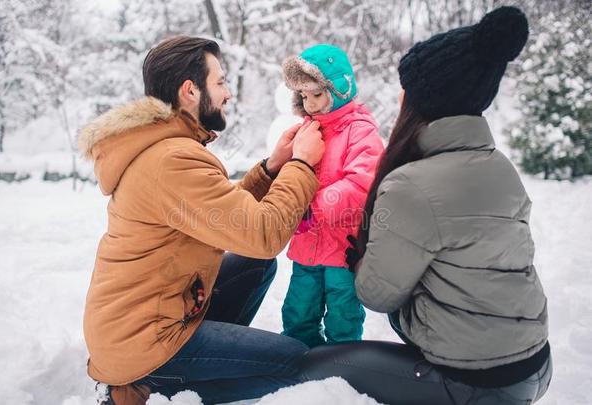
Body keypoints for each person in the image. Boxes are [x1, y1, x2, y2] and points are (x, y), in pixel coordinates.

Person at [299, 7, 552, 404]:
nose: (399, 96)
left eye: (406, 88)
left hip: (473, 380)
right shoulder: (501, 167)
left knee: (316, 369)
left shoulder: (410, 185)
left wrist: (361, 256)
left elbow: (376, 294)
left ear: (422, 100)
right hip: (535, 364)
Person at [78, 36, 326, 405]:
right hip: (146, 344)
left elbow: (221, 213)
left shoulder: (164, 149)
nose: (228, 93)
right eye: (221, 82)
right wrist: (302, 165)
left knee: (254, 265)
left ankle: (199, 360)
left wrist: (272, 168)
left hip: (144, 320)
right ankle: (154, 389)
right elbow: (263, 233)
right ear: (190, 90)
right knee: (296, 365)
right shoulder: (171, 160)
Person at [280, 44, 384, 347]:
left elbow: (363, 184)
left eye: (317, 94)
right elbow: (292, 174)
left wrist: (314, 205)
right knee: (299, 308)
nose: (309, 104)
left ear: (339, 89)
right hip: (307, 245)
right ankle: (298, 356)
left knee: (343, 313)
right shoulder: (305, 131)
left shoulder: (360, 131)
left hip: (342, 247)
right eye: (303, 96)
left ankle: (342, 363)